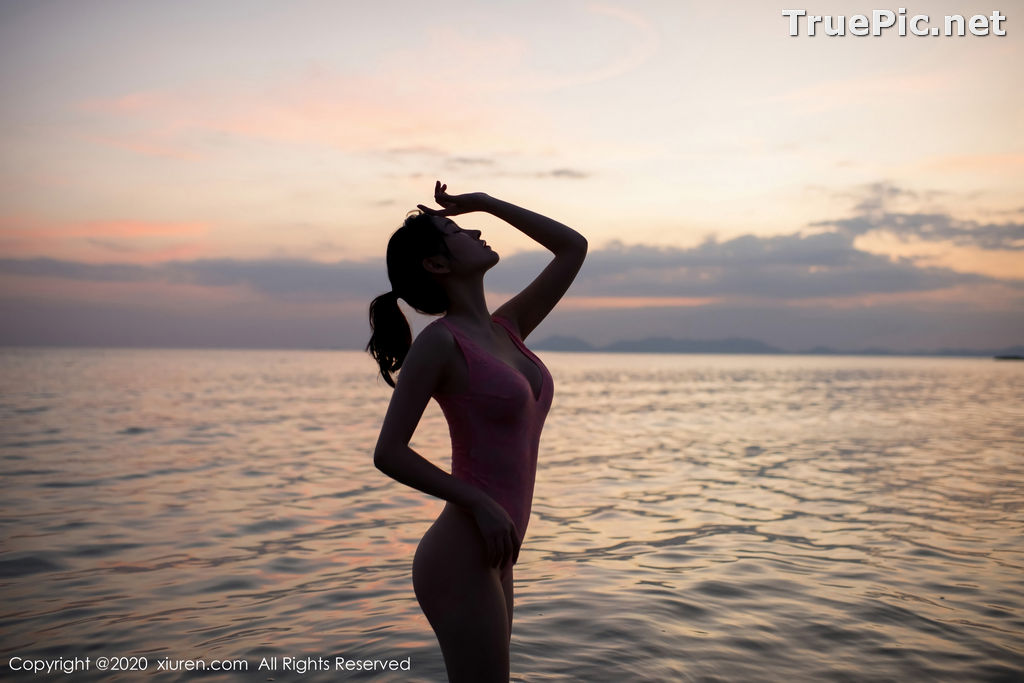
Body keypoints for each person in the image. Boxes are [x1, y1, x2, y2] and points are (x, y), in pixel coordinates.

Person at [366, 181, 587, 682]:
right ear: (437, 265)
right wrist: (480, 503)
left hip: (496, 548)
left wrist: (485, 201)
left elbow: (573, 247)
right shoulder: (440, 343)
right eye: (455, 229)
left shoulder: (507, 328)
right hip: (461, 549)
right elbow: (389, 452)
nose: (474, 229)